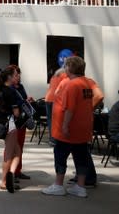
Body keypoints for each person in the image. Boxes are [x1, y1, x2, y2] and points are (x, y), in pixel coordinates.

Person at [42, 56, 94, 198]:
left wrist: (64, 126)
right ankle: (80, 187)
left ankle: (58, 185)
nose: (64, 68)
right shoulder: (87, 84)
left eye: (66, 66)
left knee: (60, 156)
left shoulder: (72, 85)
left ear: (70, 68)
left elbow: (69, 109)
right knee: (81, 158)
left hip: (68, 131)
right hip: (83, 130)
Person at [0, 66, 21, 193]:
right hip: (10, 124)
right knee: (9, 154)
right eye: (15, 75)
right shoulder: (12, 91)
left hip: (1, 124)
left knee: (17, 151)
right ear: (9, 77)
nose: (17, 77)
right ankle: (4, 180)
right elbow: (16, 113)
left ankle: (11, 174)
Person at [9, 65, 32, 181]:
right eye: (16, 75)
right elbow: (12, 103)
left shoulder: (21, 86)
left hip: (22, 120)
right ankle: (11, 172)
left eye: (19, 75)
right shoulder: (8, 88)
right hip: (13, 121)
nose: (18, 77)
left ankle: (18, 170)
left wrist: (28, 100)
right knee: (13, 147)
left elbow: (23, 99)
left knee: (20, 146)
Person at [45, 68, 67, 145]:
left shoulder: (53, 77)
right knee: (57, 121)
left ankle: (52, 140)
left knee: (50, 120)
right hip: (56, 99)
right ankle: (57, 140)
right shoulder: (65, 76)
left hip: (48, 99)